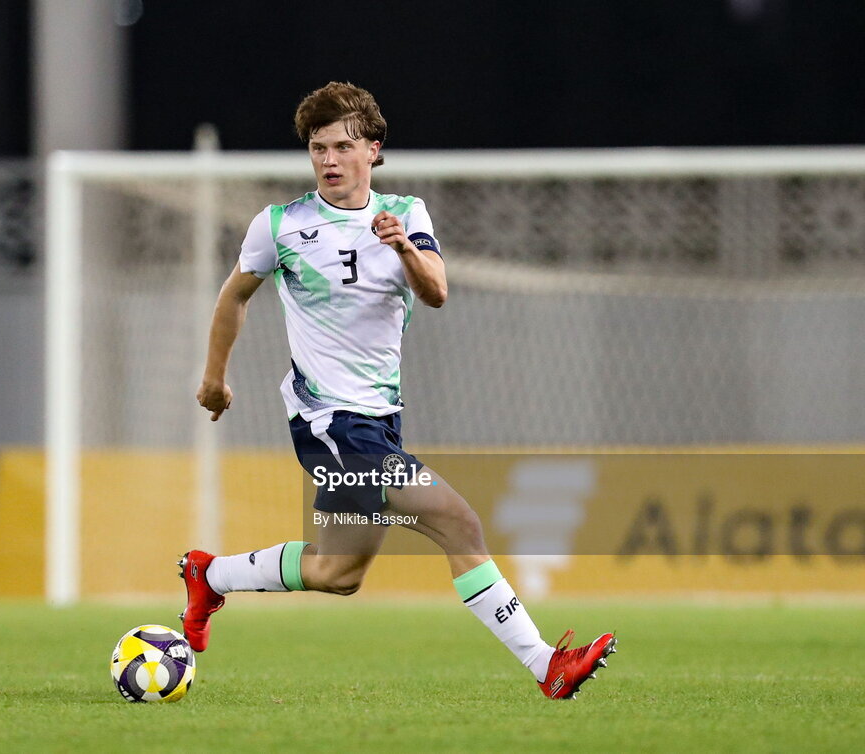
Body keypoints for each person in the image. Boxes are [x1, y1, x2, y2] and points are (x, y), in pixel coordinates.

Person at [182, 81, 615, 700]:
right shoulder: (281, 225)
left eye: (342, 145)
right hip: (330, 422)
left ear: (373, 150)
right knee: (459, 524)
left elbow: (436, 291)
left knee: (339, 571)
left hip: (379, 419)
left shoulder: (407, 215)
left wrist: (403, 248)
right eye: (317, 148)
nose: (328, 160)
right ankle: (548, 666)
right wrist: (214, 377)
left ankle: (210, 574)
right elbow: (234, 296)